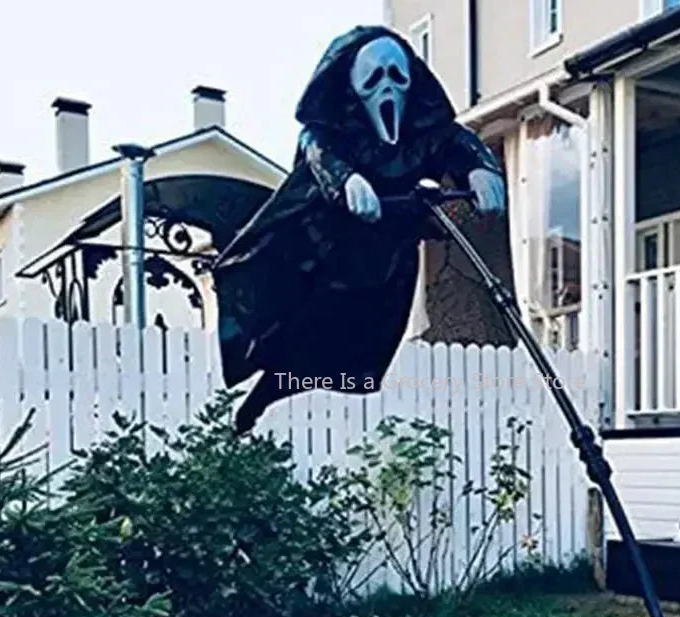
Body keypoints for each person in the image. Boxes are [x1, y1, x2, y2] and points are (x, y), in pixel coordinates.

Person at [211, 24, 506, 435]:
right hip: (325, 257)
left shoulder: (427, 132)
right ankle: (261, 398)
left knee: (358, 355)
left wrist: (480, 169)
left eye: (397, 76)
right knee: (300, 335)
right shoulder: (328, 133)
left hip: (385, 262)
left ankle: (280, 395)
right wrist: (346, 181)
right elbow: (319, 155)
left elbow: (459, 144)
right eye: (374, 77)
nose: (387, 87)